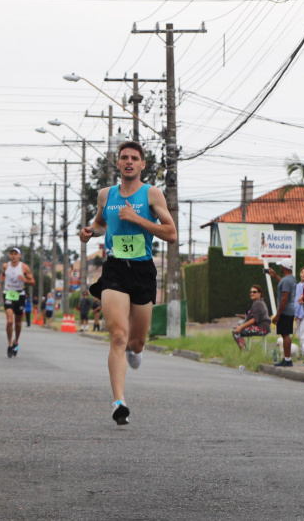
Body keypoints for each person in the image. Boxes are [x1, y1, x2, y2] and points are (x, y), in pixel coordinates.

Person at [79, 140, 178, 426]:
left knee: (136, 341)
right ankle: (119, 402)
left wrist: (137, 218)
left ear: (142, 164)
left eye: (135, 158)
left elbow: (171, 234)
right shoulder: (105, 195)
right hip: (115, 271)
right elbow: (101, 223)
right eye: (124, 158)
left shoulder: (152, 194)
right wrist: (90, 231)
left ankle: (137, 351)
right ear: (118, 164)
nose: (129, 162)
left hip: (142, 269)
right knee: (118, 336)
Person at [0, 247, 35, 358]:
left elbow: (33, 282)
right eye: (11, 254)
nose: (13, 256)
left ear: (19, 256)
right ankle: (9, 344)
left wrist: (25, 280)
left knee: (18, 323)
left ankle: (16, 341)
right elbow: (3, 274)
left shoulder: (24, 267)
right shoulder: (5, 266)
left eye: (15, 254)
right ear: (9, 256)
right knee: (9, 321)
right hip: (8, 293)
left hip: (20, 295)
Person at [267, 258, 297, 367]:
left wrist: (278, 315)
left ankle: (287, 360)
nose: (279, 267)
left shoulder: (286, 280)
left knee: (285, 335)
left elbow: (284, 298)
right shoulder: (291, 279)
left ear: (283, 267)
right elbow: (284, 285)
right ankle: (287, 359)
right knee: (286, 334)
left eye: (280, 265)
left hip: (285, 310)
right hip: (290, 309)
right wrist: (275, 275)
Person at [231, 284, 271, 350]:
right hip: (263, 327)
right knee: (238, 329)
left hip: (262, 328)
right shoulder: (259, 302)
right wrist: (245, 317)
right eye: (251, 292)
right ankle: (245, 351)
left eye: (254, 292)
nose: (252, 293)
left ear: (260, 293)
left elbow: (254, 320)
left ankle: (244, 352)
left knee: (235, 331)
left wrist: (241, 327)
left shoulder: (258, 303)